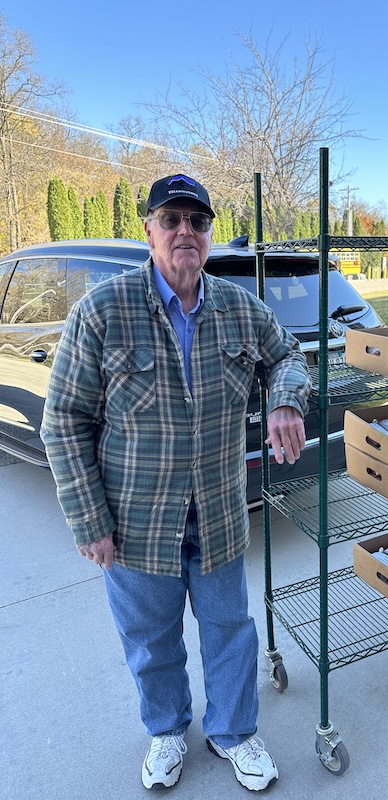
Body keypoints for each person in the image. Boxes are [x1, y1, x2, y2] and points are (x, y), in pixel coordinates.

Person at [41, 174, 311, 792]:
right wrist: (90, 522)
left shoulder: (240, 307)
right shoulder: (103, 311)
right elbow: (64, 422)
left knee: (230, 631)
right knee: (151, 639)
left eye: (197, 220)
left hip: (217, 511)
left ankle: (234, 732)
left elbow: (289, 354)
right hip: (133, 522)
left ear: (208, 233)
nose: (185, 231)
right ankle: (166, 730)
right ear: (150, 231)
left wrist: (286, 401)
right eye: (172, 219)